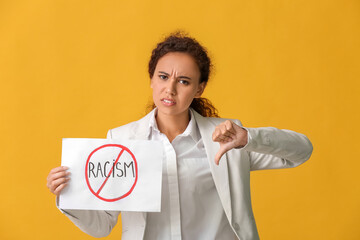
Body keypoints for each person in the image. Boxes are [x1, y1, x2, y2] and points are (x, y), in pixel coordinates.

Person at [46, 32, 313, 240]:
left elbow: (301, 152)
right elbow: (103, 226)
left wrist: (247, 138)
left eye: (184, 81)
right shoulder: (121, 140)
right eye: (163, 77)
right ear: (152, 79)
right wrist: (69, 196)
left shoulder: (227, 139)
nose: (170, 89)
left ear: (199, 88)